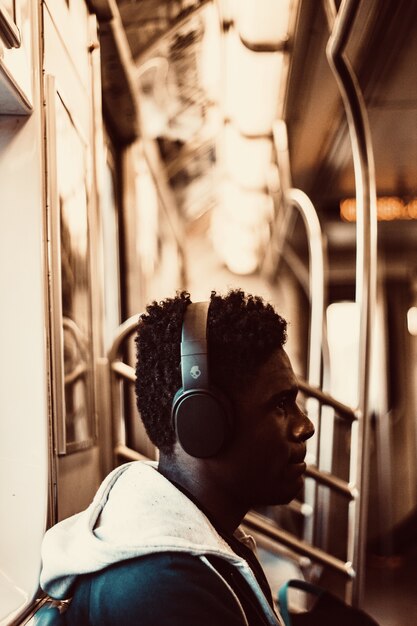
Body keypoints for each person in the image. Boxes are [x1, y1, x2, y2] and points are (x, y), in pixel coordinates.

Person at [40, 289, 314, 625]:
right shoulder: (162, 591)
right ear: (203, 423)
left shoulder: (201, 548)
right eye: (280, 404)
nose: (305, 426)